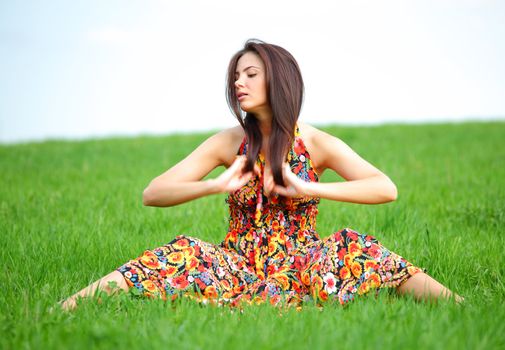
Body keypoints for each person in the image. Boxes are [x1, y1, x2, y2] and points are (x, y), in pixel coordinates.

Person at [61, 39, 462, 311]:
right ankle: (63, 309)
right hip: (235, 267)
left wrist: (308, 186)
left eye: (250, 74)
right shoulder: (228, 142)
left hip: (305, 264)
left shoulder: (315, 143)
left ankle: (461, 309)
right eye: (236, 76)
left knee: (352, 244)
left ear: (278, 78)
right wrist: (215, 185)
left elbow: (385, 188)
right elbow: (153, 192)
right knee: (181, 250)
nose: (239, 82)